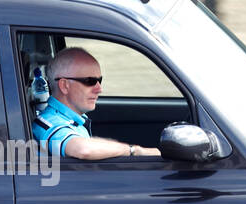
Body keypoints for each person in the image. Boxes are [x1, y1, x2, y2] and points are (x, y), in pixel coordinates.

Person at [32, 47, 161, 160]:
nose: (99, 89)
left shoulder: (70, 120)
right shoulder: (49, 123)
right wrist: (135, 151)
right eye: (90, 81)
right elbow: (83, 150)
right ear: (65, 85)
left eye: (100, 80)